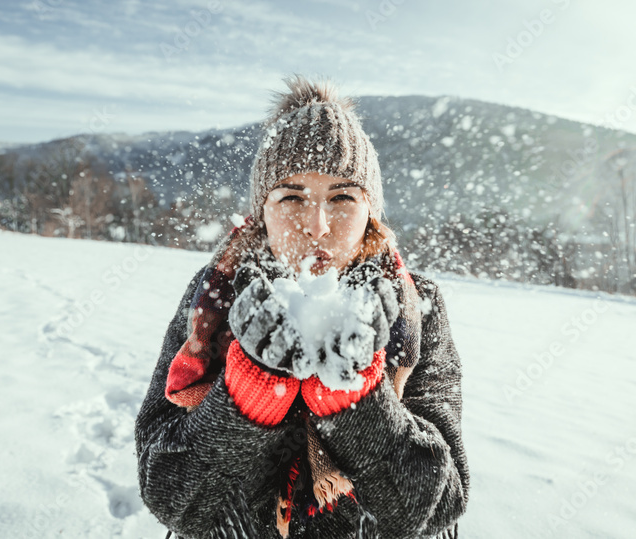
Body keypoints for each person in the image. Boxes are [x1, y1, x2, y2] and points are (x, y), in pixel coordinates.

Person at [134, 75, 468, 538]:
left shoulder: (416, 305)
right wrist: (246, 398)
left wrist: (356, 404)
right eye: (291, 196)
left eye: (343, 197)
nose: (317, 224)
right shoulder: (215, 300)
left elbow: (437, 506)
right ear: (262, 211)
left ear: (369, 209)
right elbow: (169, 494)